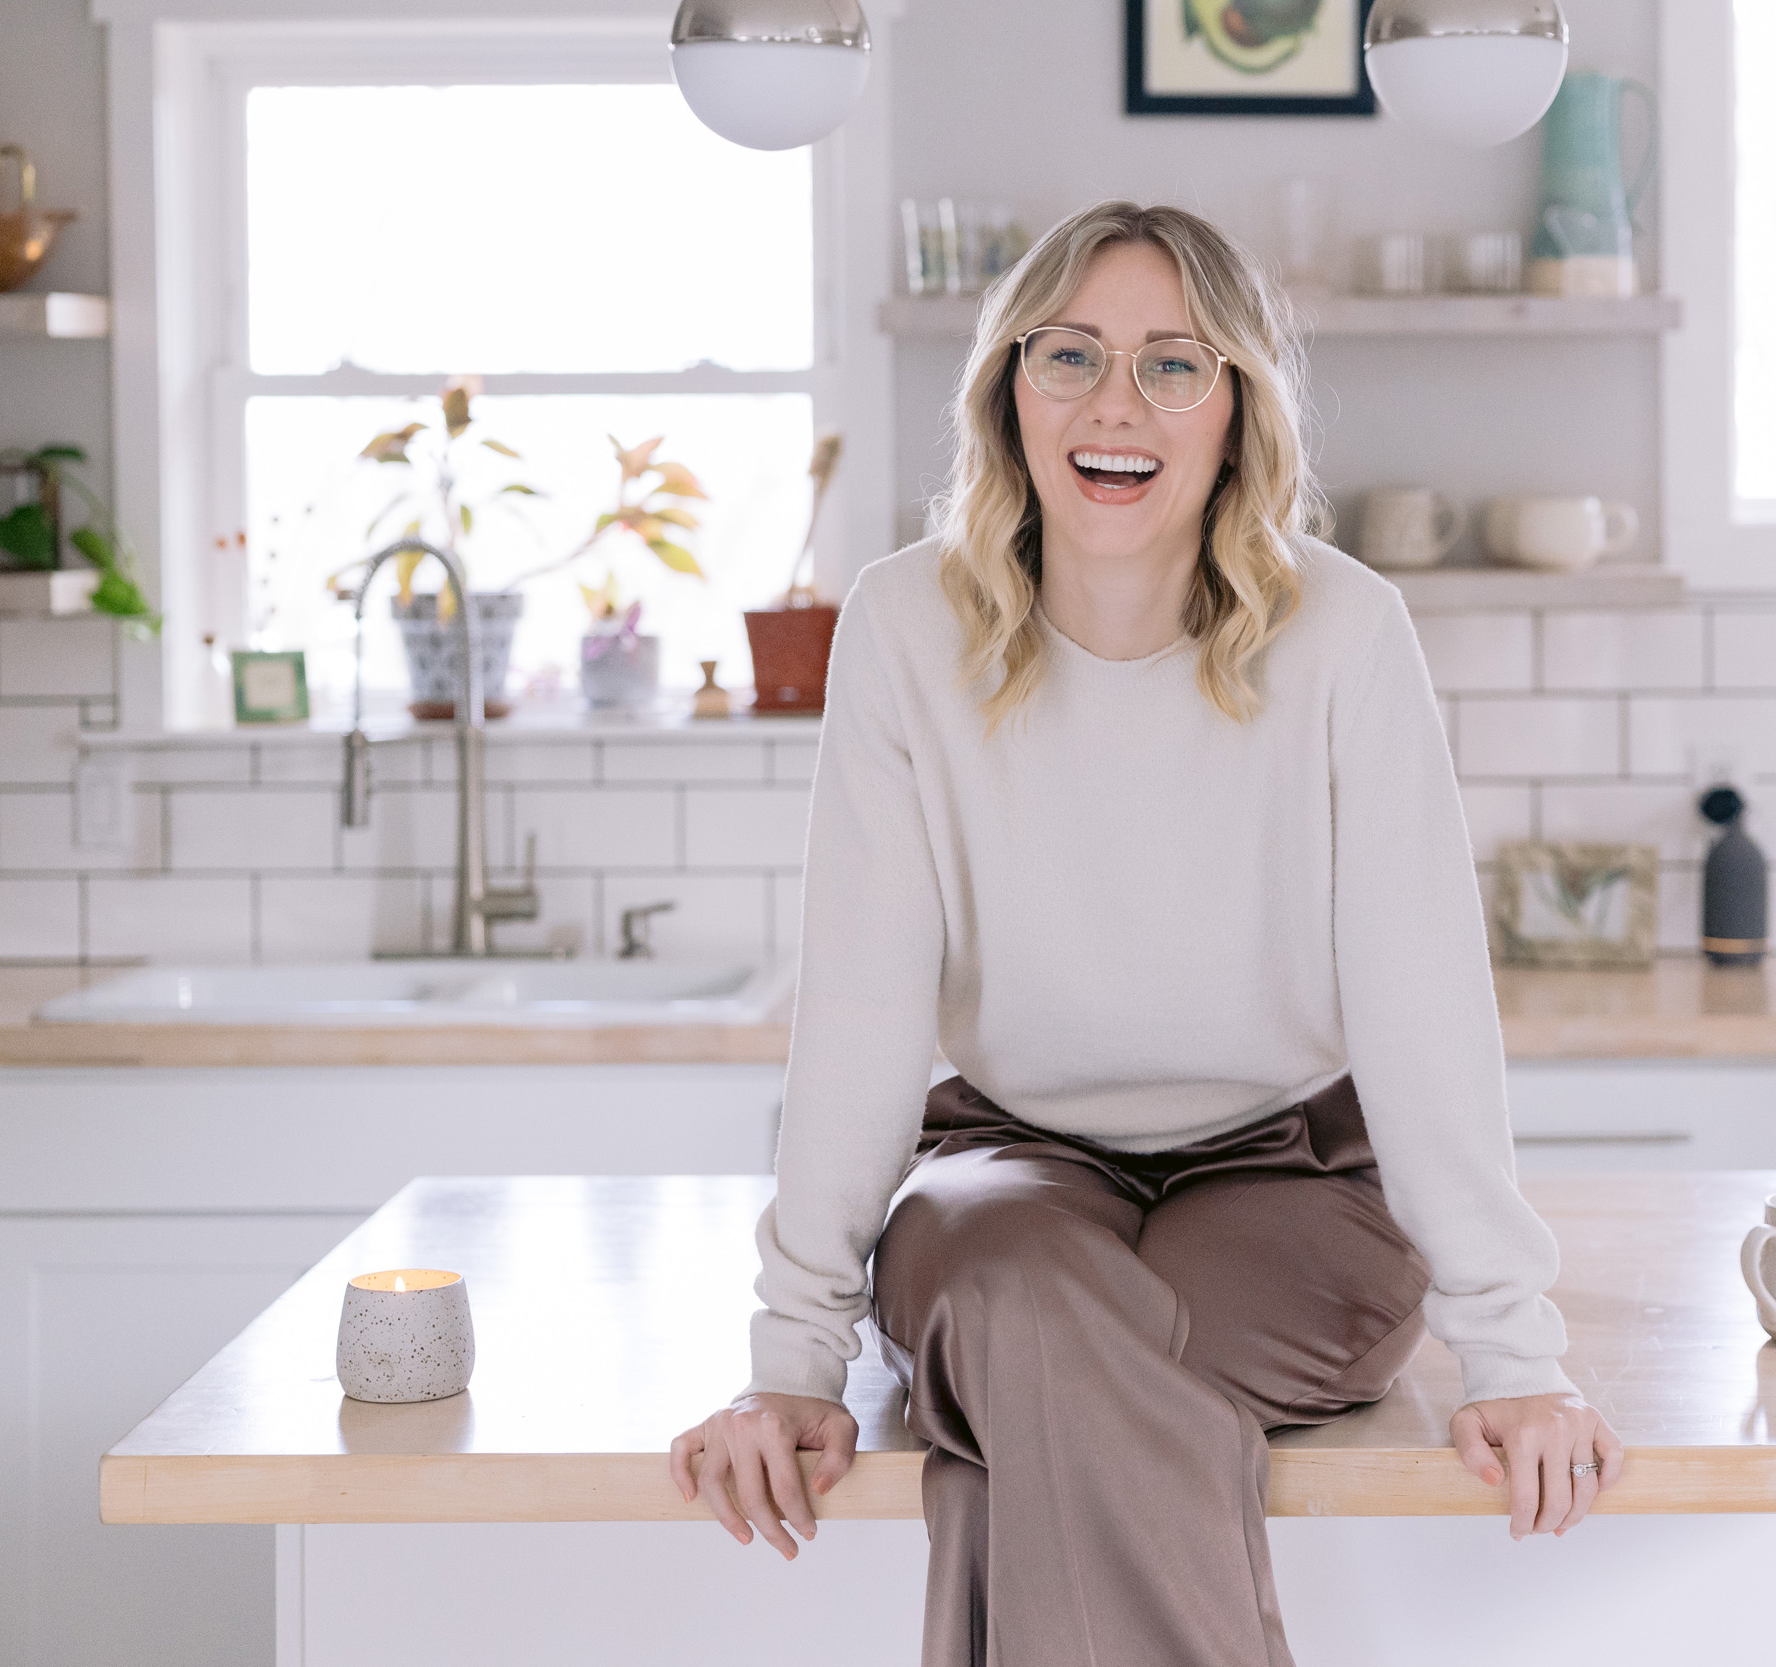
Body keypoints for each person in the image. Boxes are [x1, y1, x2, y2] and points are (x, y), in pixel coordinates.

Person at [670, 200, 1621, 1667]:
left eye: (1175, 365)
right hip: (1006, 1173)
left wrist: (1516, 1350)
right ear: (1009, 391)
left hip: (1302, 1186)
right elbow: (858, 1009)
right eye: (1072, 358)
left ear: (1238, 406)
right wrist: (788, 1359)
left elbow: (1424, 1008)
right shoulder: (904, 627)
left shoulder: (1346, 635)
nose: (1118, 407)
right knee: (1019, 1304)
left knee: (1030, 1392)